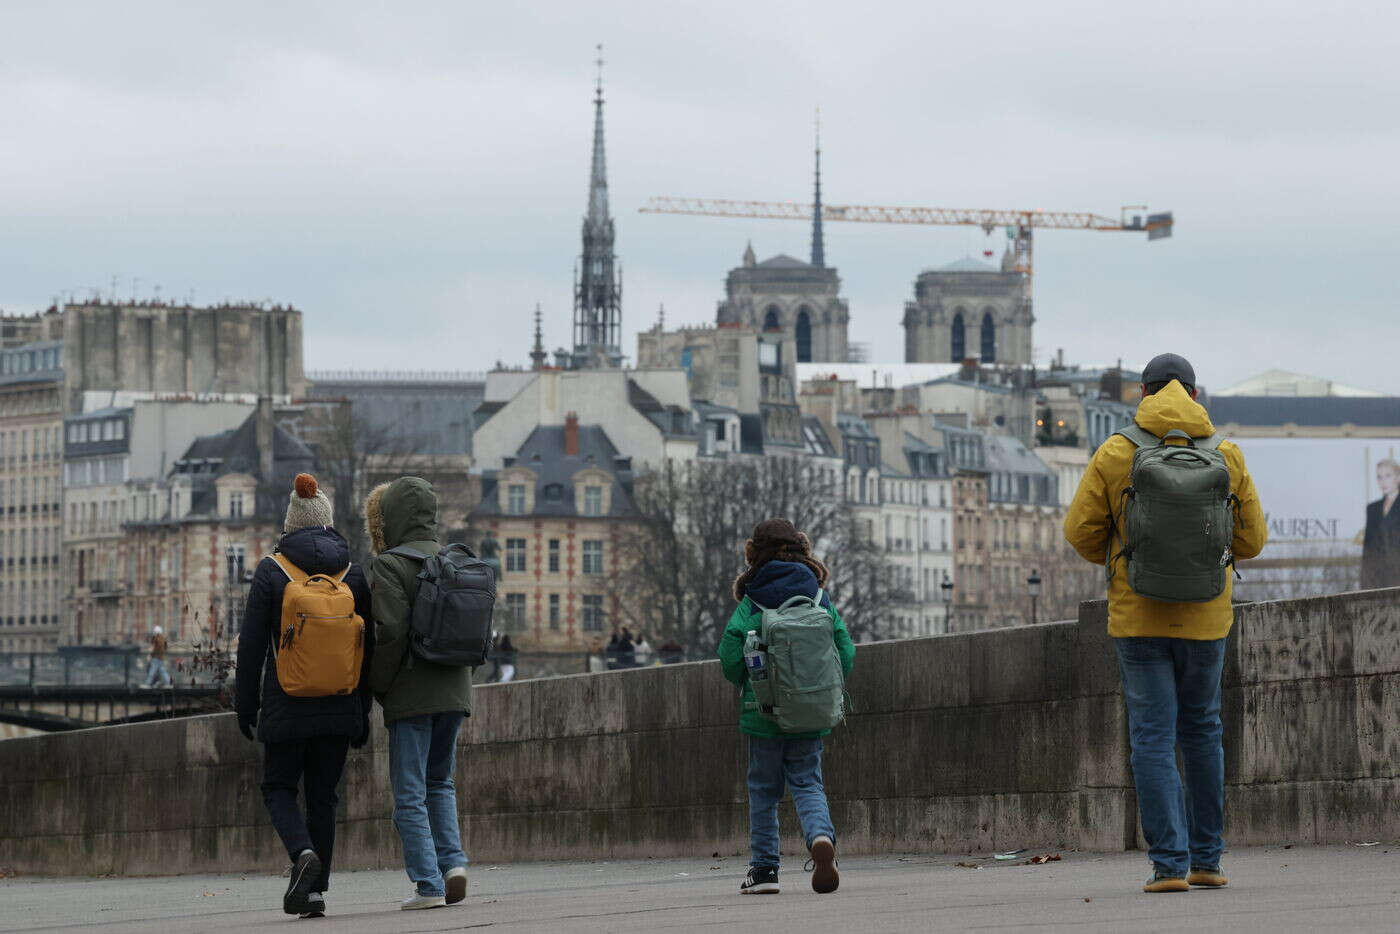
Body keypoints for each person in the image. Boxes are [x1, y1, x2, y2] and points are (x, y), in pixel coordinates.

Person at [1064, 354, 1266, 894]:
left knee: (1152, 737)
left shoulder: (1117, 452)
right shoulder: (1226, 453)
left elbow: (1080, 532)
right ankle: (1208, 860)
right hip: (1207, 617)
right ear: (1197, 398)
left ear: (1144, 395)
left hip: (1138, 617)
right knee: (1202, 731)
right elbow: (1252, 541)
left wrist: (1122, 557)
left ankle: (1168, 866)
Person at [235, 473, 373, 919]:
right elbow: (366, 647)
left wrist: (244, 704)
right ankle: (316, 891)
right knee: (323, 795)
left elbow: (252, 645)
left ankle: (302, 855)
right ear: (329, 524)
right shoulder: (354, 574)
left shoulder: (272, 571)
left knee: (278, 786)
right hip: (339, 701)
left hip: (285, 700)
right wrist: (362, 709)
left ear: (289, 526)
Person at [717, 518, 855, 896]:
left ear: (754, 553)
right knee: (808, 782)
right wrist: (818, 687)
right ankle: (821, 838)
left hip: (763, 715)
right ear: (800, 548)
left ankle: (764, 871)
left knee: (763, 791)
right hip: (810, 713)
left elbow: (730, 656)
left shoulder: (754, 598)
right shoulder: (817, 597)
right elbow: (845, 649)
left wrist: (749, 683)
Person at [366, 477, 472, 911]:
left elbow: (390, 632)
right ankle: (454, 865)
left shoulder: (390, 565)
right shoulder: (453, 561)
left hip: (412, 695)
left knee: (409, 793)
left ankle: (428, 886)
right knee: (440, 784)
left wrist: (378, 685)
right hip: (456, 689)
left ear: (390, 518)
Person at [1361, 457, 1400, 589]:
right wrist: (1365, 583)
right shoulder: (1372, 509)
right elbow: (1368, 548)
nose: (1383, 481)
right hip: (1377, 580)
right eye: (1379, 477)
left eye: (1388, 476)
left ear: (1398, 478)